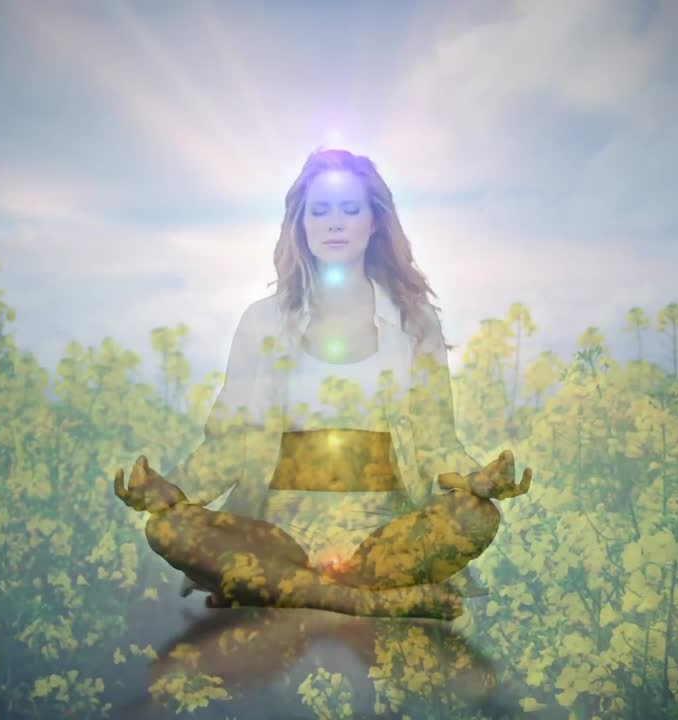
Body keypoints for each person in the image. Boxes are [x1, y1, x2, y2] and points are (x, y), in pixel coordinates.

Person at [114, 147, 531, 622]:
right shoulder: (261, 322)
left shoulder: (415, 323)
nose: (335, 223)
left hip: (382, 535)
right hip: (276, 534)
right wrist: (174, 489)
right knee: (167, 530)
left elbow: (436, 440)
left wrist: (478, 479)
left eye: (350, 210)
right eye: (321, 211)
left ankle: (289, 591)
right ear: (301, 224)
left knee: (478, 516)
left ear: (374, 222)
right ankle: (366, 601)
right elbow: (230, 441)